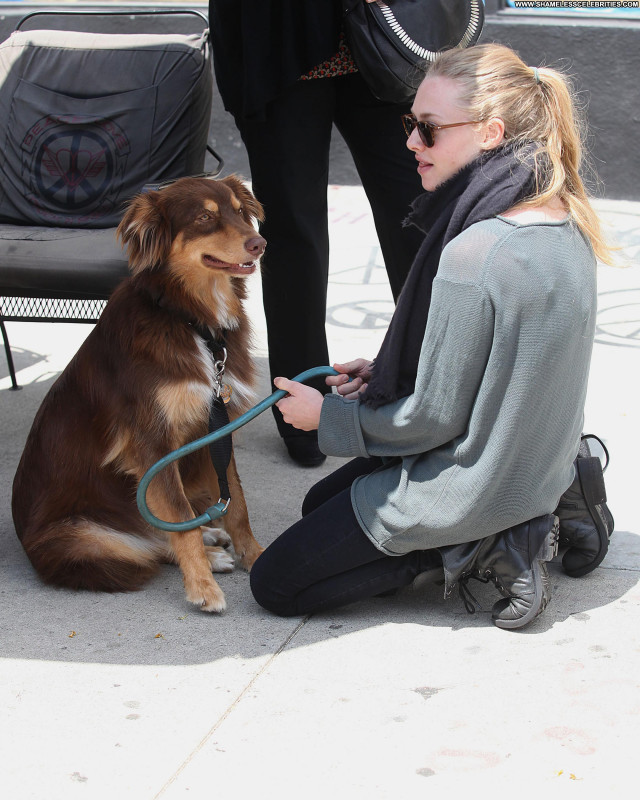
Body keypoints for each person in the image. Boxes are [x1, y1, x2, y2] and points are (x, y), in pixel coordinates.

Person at [249, 43, 615, 630]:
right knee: (318, 504)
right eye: (409, 124)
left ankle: (494, 546)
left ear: (491, 133)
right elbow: (500, 362)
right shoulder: (559, 214)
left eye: (429, 129)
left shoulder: (476, 252)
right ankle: (559, 487)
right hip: (530, 452)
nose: (411, 143)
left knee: (275, 585)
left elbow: (432, 421)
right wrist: (388, 369)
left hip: (478, 477)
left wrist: (328, 420)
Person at [208, 0, 424, 466]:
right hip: (280, 41)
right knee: (292, 235)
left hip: (380, 34)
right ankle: (301, 404)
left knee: (418, 216)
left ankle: (433, 382)